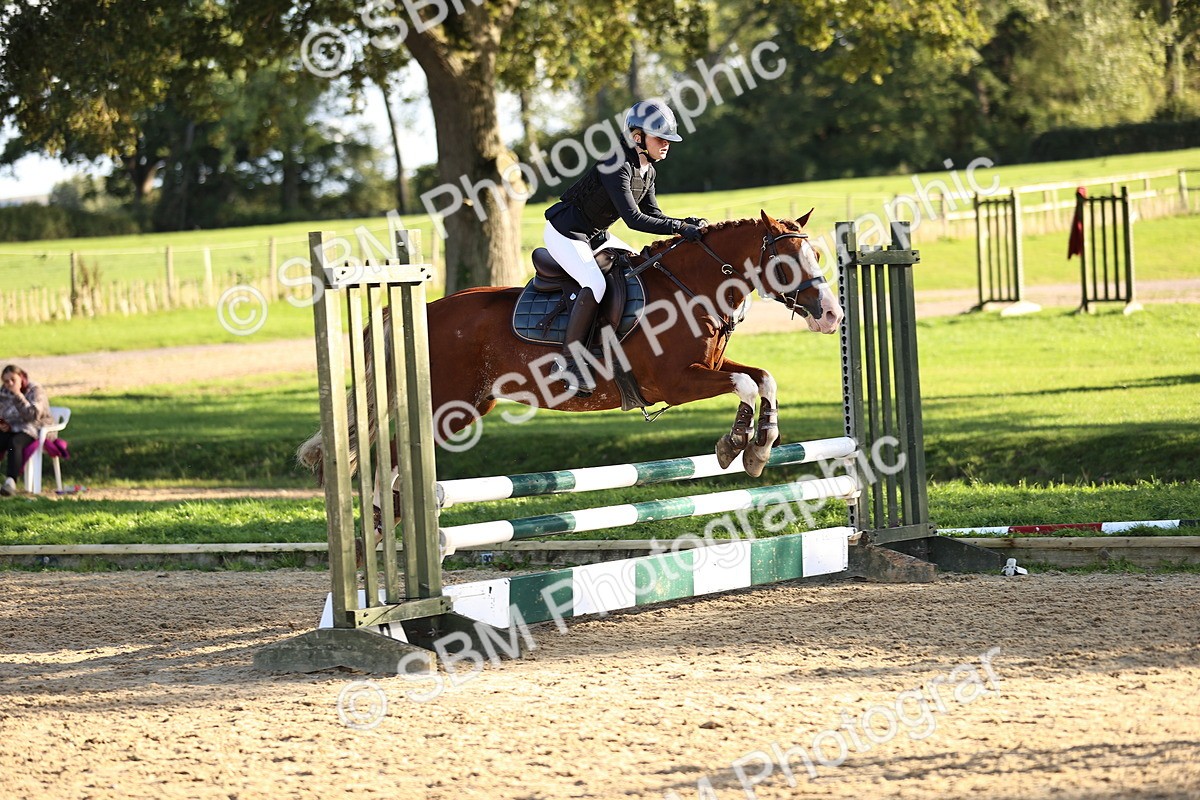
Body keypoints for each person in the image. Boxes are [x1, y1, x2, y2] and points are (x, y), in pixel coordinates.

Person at [543, 99, 708, 397]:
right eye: (661, 138)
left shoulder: (647, 170)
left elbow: (654, 214)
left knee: (639, 267)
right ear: (637, 137)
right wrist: (680, 228)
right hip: (564, 232)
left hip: (595, 234)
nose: (667, 144)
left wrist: (685, 222)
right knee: (594, 283)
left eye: (669, 139)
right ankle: (568, 361)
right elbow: (633, 219)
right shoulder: (615, 164)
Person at [0, 364, 54, 496]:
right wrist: (2, 423)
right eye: (6, 381)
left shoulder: (35, 390)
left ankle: (11, 482)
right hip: (12, 427)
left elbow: (33, 415)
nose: (10, 384)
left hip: (35, 428)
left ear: (21, 377)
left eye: (13, 380)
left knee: (15, 443)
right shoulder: (3, 392)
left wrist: (18, 395)